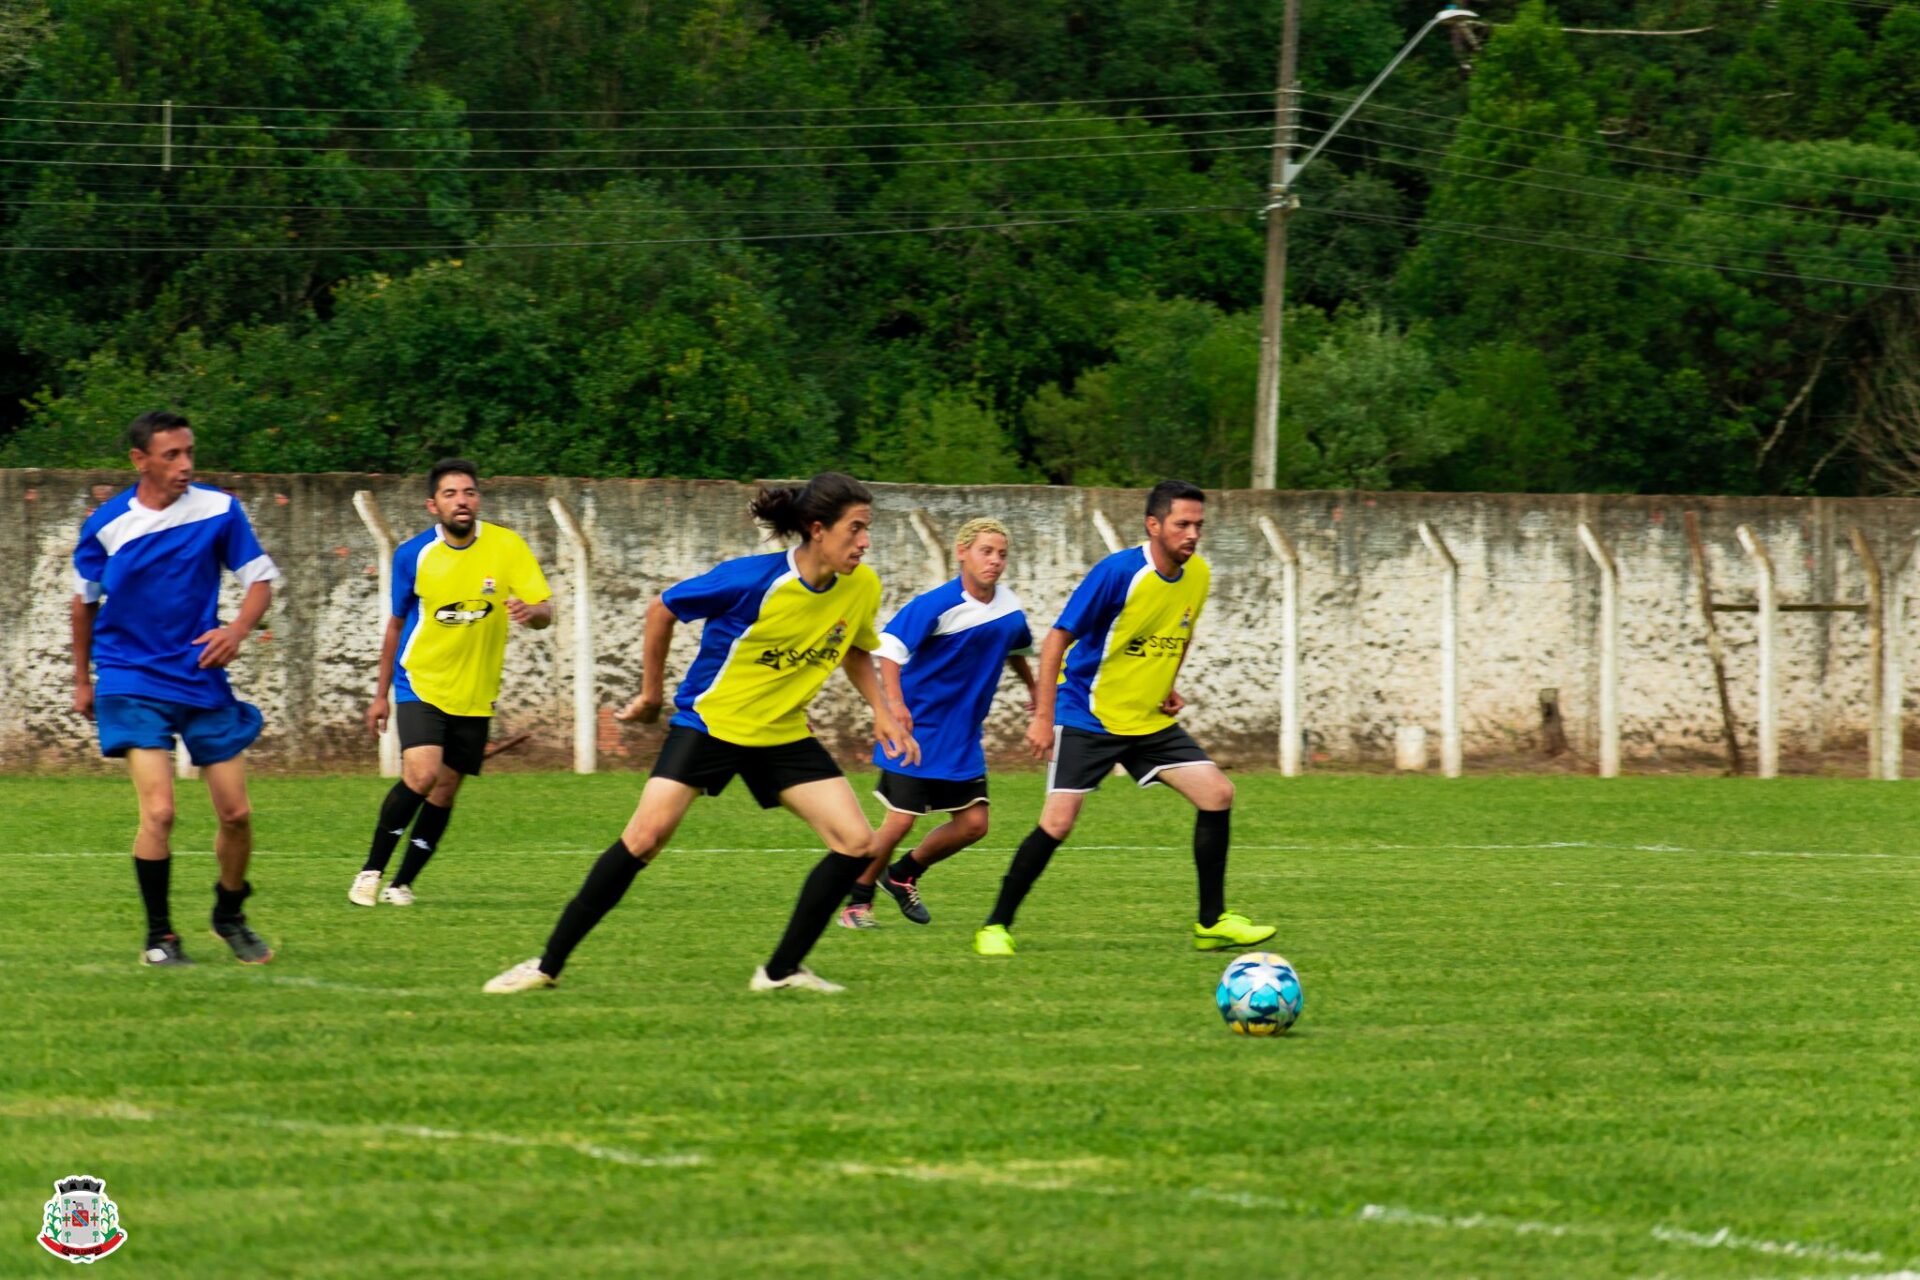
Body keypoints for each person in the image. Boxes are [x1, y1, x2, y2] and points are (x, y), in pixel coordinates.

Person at [484, 472, 916, 995]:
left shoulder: (861, 586)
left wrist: (885, 711)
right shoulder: (752, 580)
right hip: (711, 726)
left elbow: (852, 646)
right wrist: (649, 695)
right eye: (857, 529)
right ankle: (545, 966)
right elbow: (662, 607)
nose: (865, 541)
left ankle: (780, 972)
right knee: (644, 839)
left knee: (856, 844)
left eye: (867, 529)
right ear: (818, 529)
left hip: (781, 735)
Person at [973, 480, 1275, 957]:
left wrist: (1167, 683)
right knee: (1058, 823)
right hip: (1089, 715)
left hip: (1148, 721)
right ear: (1153, 526)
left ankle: (1212, 922)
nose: (1192, 533)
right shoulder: (1118, 573)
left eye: (1198, 524)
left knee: (1217, 793)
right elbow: (1056, 639)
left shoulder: (1198, 575)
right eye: (1182, 524)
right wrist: (1044, 713)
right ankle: (995, 925)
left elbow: (1179, 631)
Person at [71, 410, 280, 967]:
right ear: (140, 461)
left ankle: (229, 912)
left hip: (200, 674)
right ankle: (160, 937)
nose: (185, 465)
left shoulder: (219, 510)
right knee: (159, 812)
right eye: (172, 455)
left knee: (236, 814)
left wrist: (237, 629)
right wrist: (81, 678)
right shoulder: (107, 524)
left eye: (189, 453)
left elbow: (260, 579)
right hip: (130, 677)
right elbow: (83, 601)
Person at [351, 460, 553, 907]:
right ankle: (371, 871)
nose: (462, 501)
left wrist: (530, 613)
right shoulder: (413, 555)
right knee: (421, 775)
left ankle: (401, 884)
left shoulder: (507, 547)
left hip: (475, 694)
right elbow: (395, 625)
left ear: (478, 499)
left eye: (469, 492)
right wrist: (380, 695)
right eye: (450, 494)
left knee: (444, 789)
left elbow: (545, 611)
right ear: (432, 505)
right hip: (419, 682)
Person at [838, 517, 1035, 930]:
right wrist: (893, 705)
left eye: (1002, 554)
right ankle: (857, 903)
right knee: (899, 821)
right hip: (917, 730)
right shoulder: (937, 603)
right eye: (986, 551)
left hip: (962, 737)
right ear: (962, 552)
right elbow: (889, 650)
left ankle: (903, 874)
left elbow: (1016, 647)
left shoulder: (1009, 607)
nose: (995, 561)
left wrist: (1037, 692)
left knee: (974, 825)